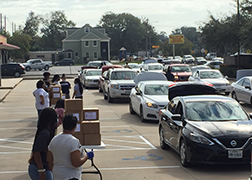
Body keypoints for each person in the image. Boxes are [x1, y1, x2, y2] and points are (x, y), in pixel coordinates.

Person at [47, 114, 94, 180]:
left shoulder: (54, 139)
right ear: (75, 127)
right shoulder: (73, 141)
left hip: (57, 173)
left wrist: (54, 170)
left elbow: (49, 159)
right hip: (70, 175)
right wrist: (87, 156)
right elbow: (76, 163)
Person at [28, 108, 58, 180]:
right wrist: (41, 170)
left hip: (44, 167)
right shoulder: (45, 134)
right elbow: (36, 151)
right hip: (39, 168)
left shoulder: (46, 131)